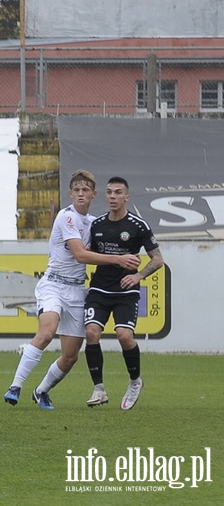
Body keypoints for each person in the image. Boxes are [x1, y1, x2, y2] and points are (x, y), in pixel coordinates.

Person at [3, 170, 141, 410]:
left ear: (93, 194)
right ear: (70, 193)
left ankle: (41, 390)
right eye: (76, 190)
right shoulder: (66, 217)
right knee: (47, 332)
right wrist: (119, 260)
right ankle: (15, 386)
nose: (80, 194)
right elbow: (80, 255)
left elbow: (104, 245)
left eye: (85, 190)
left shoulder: (94, 223)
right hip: (53, 284)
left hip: (77, 291)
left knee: (70, 356)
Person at [83, 176, 164, 411]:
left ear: (126, 197)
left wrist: (138, 276)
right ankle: (99, 389)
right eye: (109, 192)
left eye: (118, 193)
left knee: (124, 336)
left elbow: (157, 260)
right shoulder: (97, 225)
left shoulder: (138, 226)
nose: (112, 197)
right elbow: (90, 254)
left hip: (125, 291)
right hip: (99, 288)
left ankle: (135, 382)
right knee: (91, 332)